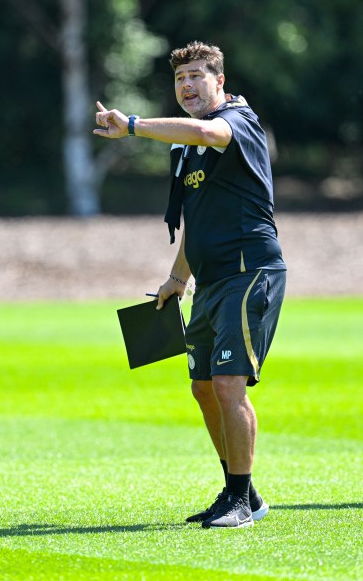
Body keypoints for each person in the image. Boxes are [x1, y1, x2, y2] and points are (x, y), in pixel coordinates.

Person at [94, 41, 286, 529]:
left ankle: (242, 501)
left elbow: (208, 130)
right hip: (209, 280)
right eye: (181, 79)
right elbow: (194, 222)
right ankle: (240, 493)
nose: (188, 86)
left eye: (198, 76)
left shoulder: (238, 121)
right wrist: (177, 279)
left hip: (250, 272)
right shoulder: (186, 147)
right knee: (202, 388)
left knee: (228, 385)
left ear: (220, 81)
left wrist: (133, 125)